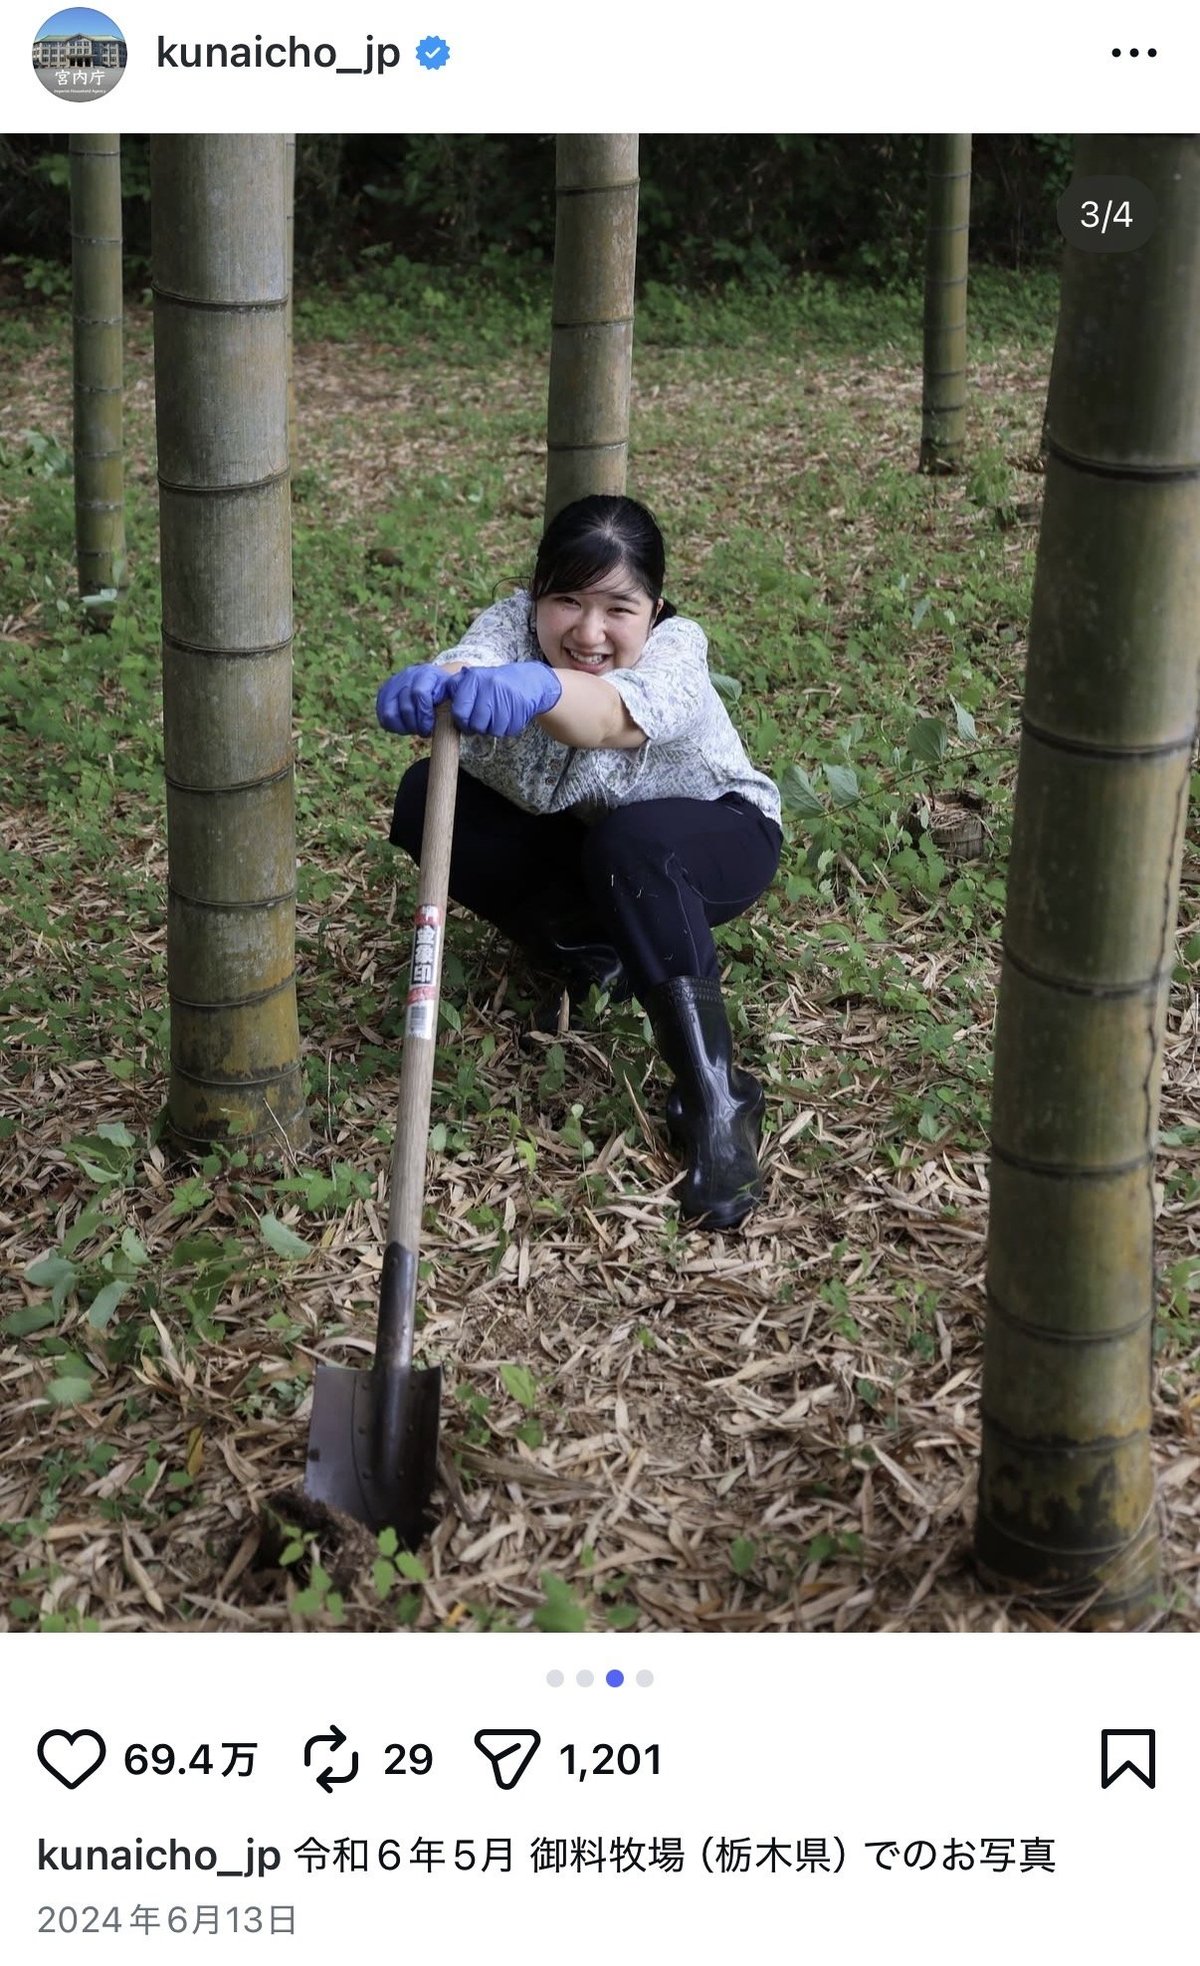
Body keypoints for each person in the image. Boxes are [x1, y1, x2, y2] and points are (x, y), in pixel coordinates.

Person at [377, 495, 783, 1231]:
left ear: (653, 609)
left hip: (714, 838)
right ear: (537, 594)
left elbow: (607, 718)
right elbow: (474, 659)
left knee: (632, 843)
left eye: (617, 608)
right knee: (427, 794)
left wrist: (541, 687)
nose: (589, 632)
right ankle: (598, 956)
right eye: (566, 601)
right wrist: (441, 681)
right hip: (589, 842)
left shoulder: (676, 652)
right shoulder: (512, 624)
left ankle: (719, 1097)